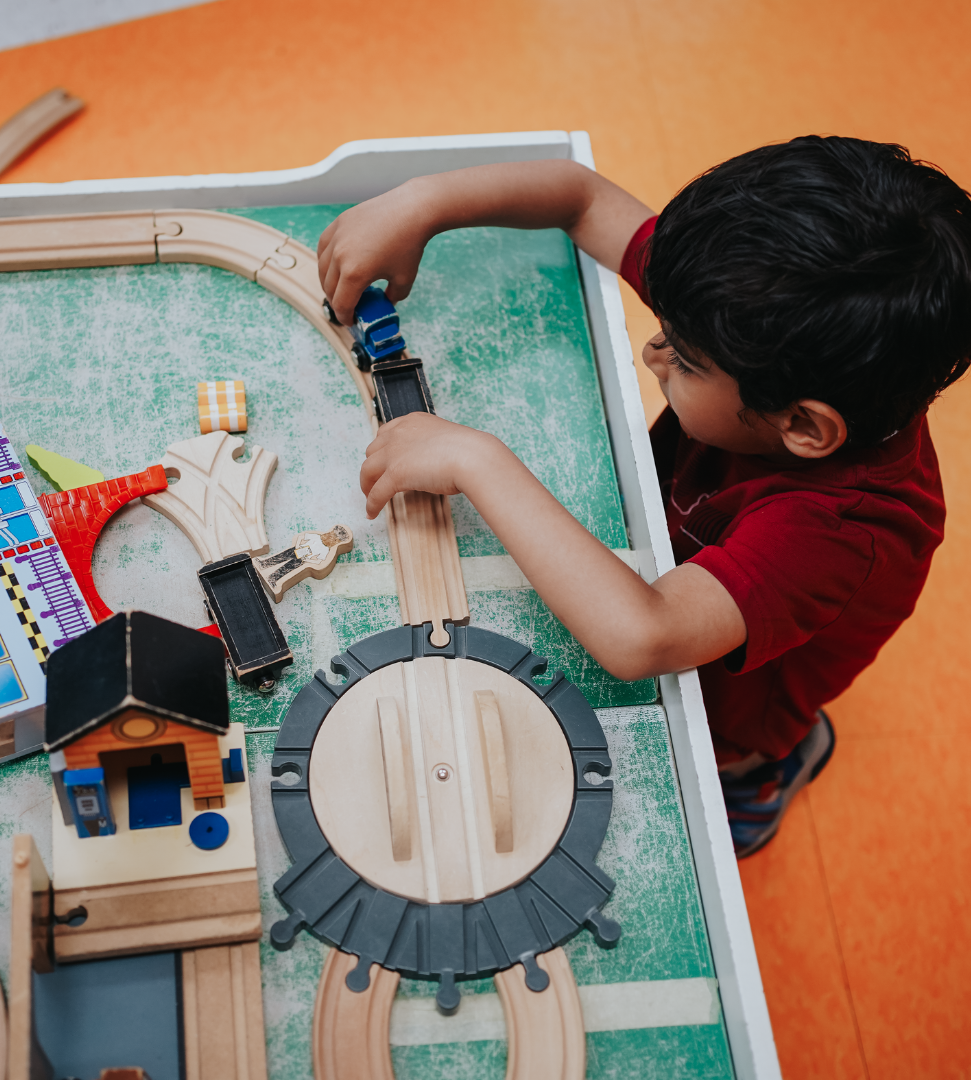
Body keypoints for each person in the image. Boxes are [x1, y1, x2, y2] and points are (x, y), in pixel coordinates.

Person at [316, 137, 971, 856]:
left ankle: (762, 780)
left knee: (726, 749)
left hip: (730, 702)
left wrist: (476, 458)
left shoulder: (841, 526)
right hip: (697, 566)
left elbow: (644, 636)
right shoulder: (748, 313)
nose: (654, 351)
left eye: (683, 359)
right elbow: (581, 195)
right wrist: (422, 203)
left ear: (805, 427)